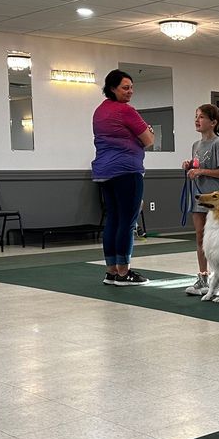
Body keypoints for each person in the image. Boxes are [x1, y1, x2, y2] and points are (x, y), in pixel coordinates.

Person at [93, 69, 154, 285]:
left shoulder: (100, 111)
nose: (130, 92)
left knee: (113, 220)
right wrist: (148, 130)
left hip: (104, 172)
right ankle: (124, 272)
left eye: (131, 88)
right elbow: (148, 140)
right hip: (127, 171)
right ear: (112, 88)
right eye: (125, 88)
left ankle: (112, 271)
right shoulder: (126, 111)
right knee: (127, 222)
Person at [182, 104, 219, 297]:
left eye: (201, 117)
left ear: (213, 122)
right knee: (200, 237)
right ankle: (203, 277)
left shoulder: (218, 144)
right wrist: (190, 166)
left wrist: (201, 171)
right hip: (198, 197)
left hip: (216, 201)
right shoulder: (196, 145)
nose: (197, 120)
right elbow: (198, 166)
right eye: (196, 116)